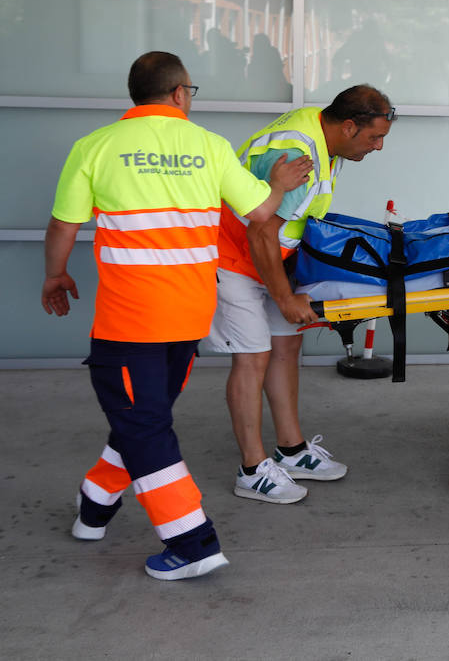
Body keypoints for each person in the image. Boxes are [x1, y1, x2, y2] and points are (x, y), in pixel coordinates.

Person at [43, 51, 313, 581]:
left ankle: (192, 544)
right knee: (143, 419)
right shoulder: (209, 146)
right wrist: (277, 185)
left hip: (129, 323)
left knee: (144, 426)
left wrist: (55, 275)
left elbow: (63, 226)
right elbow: (261, 214)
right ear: (179, 93)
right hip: (189, 320)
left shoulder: (95, 146)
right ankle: (93, 508)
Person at [206, 85, 394, 504]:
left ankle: (290, 450)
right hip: (233, 258)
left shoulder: (323, 134)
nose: (378, 147)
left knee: (286, 347)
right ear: (348, 126)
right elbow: (261, 232)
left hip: (269, 257)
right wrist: (286, 297)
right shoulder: (298, 155)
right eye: (373, 137)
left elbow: (288, 225)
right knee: (253, 358)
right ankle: (252, 471)